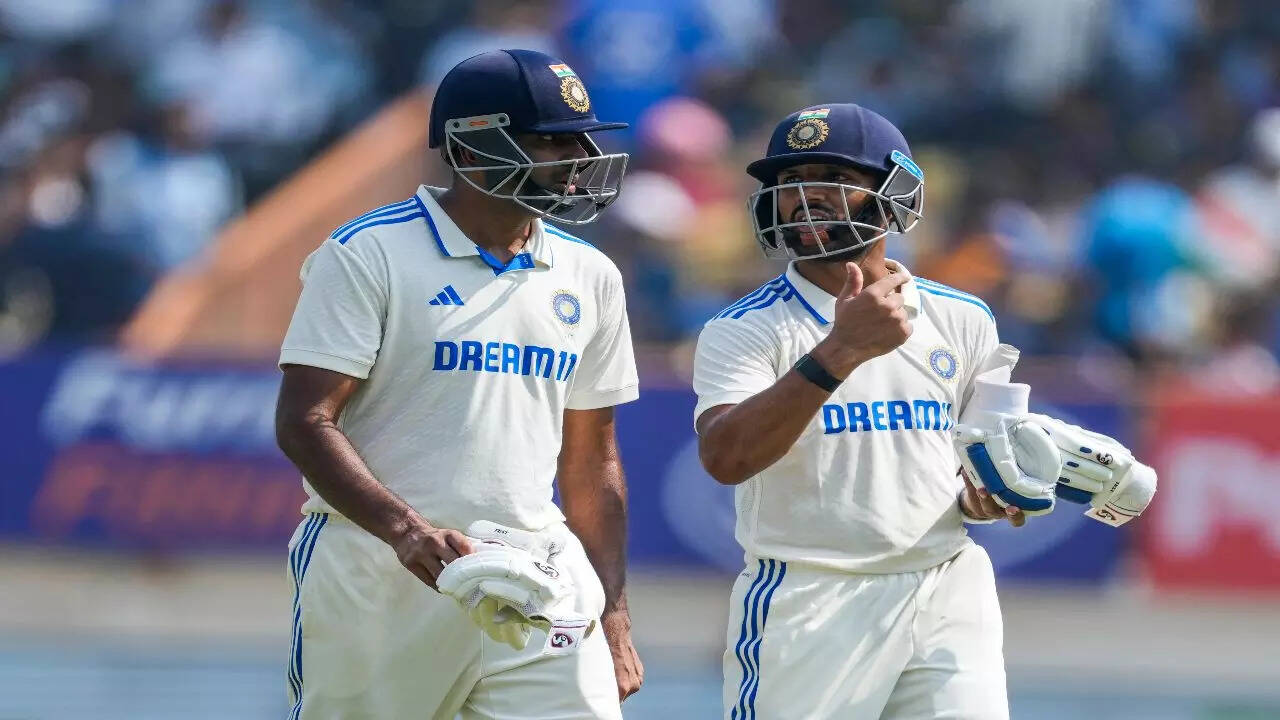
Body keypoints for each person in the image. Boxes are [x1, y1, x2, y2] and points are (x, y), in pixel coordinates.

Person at [692, 103, 1155, 719]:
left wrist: (984, 495)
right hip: (811, 594)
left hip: (946, 584)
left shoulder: (963, 317)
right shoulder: (743, 328)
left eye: (835, 178)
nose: (806, 197)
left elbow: (973, 460)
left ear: (894, 193)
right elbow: (726, 458)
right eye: (790, 181)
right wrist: (838, 351)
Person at [274, 49, 641, 719]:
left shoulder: (591, 275)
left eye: (581, 140)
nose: (578, 158)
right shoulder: (369, 252)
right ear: (472, 149)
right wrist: (407, 532)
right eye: (550, 141)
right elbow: (305, 422)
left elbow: (593, 457)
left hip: (540, 575)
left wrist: (613, 610)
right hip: (383, 573)